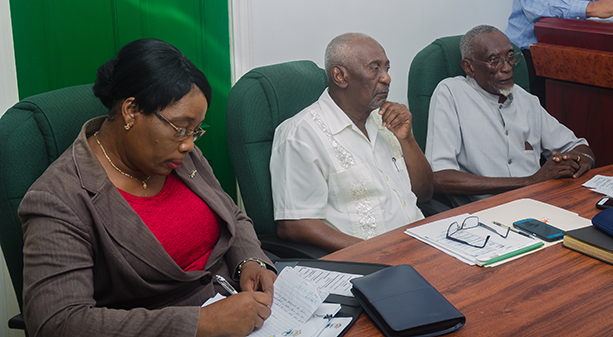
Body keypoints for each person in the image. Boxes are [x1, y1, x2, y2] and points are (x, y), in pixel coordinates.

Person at [19, 39, 277, 337]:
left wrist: (250, 261)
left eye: (196, 130)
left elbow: (231, 214)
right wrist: (201, 324)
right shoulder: (59, 198)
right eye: (181, 127)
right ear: (131, 111)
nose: (189, 143)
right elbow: (58, 323)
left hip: (245, 313)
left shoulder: (179, 155)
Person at [270, 33, 434, 253]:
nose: (386, 78)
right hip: (369, 262)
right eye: (374, 68)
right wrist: (378, 252)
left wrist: (408, 139)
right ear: (340, 76)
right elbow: (294, 225)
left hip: (421, 244)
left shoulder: (385, 120)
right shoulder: (301, 134)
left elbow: (424, 194)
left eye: (386, 68)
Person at [425, 25, 595, 202]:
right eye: (494, 60)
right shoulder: (452, 93)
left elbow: (578, 147)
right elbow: (439, 177)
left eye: (510, 57)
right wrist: (530, 181)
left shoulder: (526, 99)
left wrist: (580, 160)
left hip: (541, 201)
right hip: (487, 210)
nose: (507, 68)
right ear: (469, 67)